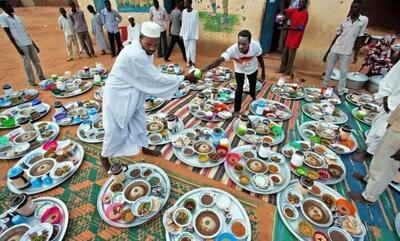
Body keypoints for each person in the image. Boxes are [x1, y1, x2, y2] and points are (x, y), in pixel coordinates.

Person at [99, 22, 197, 171]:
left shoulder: (144, 50)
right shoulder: (135, 54)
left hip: (133, 91)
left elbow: (147, 74)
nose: (152, 48)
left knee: (139, 120)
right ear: (140, 39)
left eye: (156, 45)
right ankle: (104, 157)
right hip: (118, 95)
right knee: (116, 128)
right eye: (149, 44)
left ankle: (144, 147)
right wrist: (183, 78)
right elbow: (155, 78)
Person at [202, 30, 266, 116]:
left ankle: (253, 96)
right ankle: (237, 109)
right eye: (239, 43)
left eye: (244, 44)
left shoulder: (256, 46)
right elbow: (220, 60)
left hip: (252, 69)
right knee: (239, 88)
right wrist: (205, 69)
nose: (241, 46)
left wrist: (263, 73)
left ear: (249, 42)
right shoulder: (233, 49)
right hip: (239, 69)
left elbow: (260, 59)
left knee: (252, 85)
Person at [348, 105, 400, 203]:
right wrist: (391, 121)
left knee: (386, 169)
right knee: (379, 158)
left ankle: (369, 197)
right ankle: (369, 180)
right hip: (395, 127)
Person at [351, 61, 400, 163]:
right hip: (392, 100)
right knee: (378, 126)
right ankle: (370, 149)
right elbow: (392, 78)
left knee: (381, 131)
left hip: (395, 105)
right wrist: (384, 97)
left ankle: (369, 153)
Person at [322, 1, 368, 97]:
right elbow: (336, 37)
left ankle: (340, 92)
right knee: (329, 70)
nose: (353, 9)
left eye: (355, 7)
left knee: (343, 72)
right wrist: (327, 52)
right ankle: (324, 86)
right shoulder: (345, 21)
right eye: (352, 7)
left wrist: (356, 54)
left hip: (346, 51)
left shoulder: (363, 20)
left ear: (359, 9)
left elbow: (359, 37)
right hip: (335, 49)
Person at [0, 0, 45, 86]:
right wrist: (17, 48)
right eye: (9, 6)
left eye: (11, 5)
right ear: (3, 8)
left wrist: (34, 44)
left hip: (28, 42)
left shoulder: (17, 17)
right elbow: (9, 34)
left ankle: (41, 77)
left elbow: (25, 32)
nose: (11, 7)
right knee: (27, 64)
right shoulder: (2, 17)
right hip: (21, 44)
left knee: (36, 61)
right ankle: (32, 82)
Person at [278, 0, 308, 77]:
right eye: (300, 2)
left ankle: (288, 71)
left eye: (303, 2)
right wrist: (282, 14)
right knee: (284, 54)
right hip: (289, 36)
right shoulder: (295, 10)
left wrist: (289, 28)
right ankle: (281, 69)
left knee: (291, 56)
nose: (301, 4)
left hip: (296, 37)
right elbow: (286, 12)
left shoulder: (305, 13)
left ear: (305, 4)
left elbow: (300, 27)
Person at [180, 0, 199, 67]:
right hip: (185, 34)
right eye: (184, 2)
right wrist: (181, 33)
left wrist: (195, 35)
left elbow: (196, 25)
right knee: (186, 49)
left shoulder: (195, 13)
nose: (184, 3)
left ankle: (193, 63)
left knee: (192, 49)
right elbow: (183, 23)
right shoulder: (184, 12)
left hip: (192, 35)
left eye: (186, 2)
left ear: (190, 2)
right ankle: (188, 61)